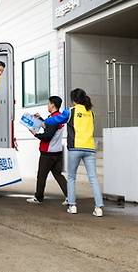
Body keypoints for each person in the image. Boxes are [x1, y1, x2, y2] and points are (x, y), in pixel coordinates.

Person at [42, 88, 104, 217]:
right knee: (93, 179)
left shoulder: (70, 111)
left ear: (74, 100)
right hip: (90, 148)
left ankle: (72, 205)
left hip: (75, 148)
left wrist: (44, 121)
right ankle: (98, 208)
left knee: (71, 178)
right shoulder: (90, 113)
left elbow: (56, 119)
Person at [26, 95, 68, 205]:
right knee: (58, 175)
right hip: (57, 152)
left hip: (48, 153)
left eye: (48, 103)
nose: (47, 105)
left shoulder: (53, 119)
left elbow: (48, 135)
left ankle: (38, 197)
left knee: (41, 176)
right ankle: (70, 196)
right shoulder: (59, 117)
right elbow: (50, 127)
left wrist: (36, 134)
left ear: (53, 104)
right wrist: (40, 119)